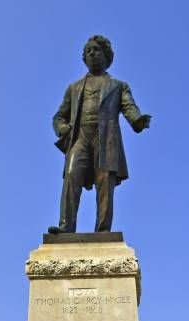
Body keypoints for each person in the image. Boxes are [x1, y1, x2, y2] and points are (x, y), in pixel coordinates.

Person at [49, 35, 151, 234]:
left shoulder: (118, 86)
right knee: (71, 176)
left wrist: (137, 121)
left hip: (106, 140)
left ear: (107, 56)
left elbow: (129, 107)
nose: (92, 53)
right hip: (80, 138)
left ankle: (103, 231)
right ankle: (66, 227)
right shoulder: (74, 88)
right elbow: (58, 116)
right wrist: (62, 129)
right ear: (84, 58)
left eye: (96, 50)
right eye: (88, 51)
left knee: (105, 183)